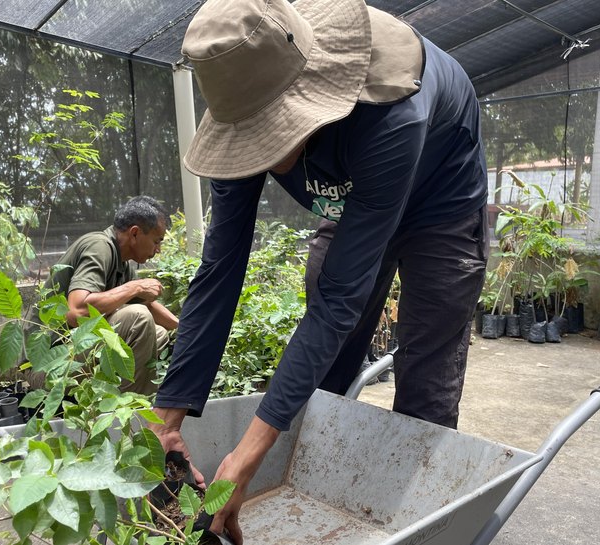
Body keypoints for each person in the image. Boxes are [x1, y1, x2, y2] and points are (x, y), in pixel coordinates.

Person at [151, 0, 489, 542]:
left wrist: (246, 454)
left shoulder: (391, 110)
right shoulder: (244, 85)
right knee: (326, 368)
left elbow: (341, 297)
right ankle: (325, 485)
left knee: (425, 372)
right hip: (358, 198)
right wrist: (167, 417)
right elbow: (221, 268)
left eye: (271, 131)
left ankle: (408, 522)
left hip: (439, 200)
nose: (261, 148)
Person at [42, 195, 178, 396]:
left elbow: (148, 305)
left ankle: (138, 400)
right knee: (138, 317)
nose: (158, 250)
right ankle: (124, 407)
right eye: (157, 241)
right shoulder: (99, 247)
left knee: (158, 334)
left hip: (76, 354)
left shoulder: (121, 261)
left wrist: (184, 330)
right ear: (134, 233)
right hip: (49, 365)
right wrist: (134, 288)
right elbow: (76, 311)